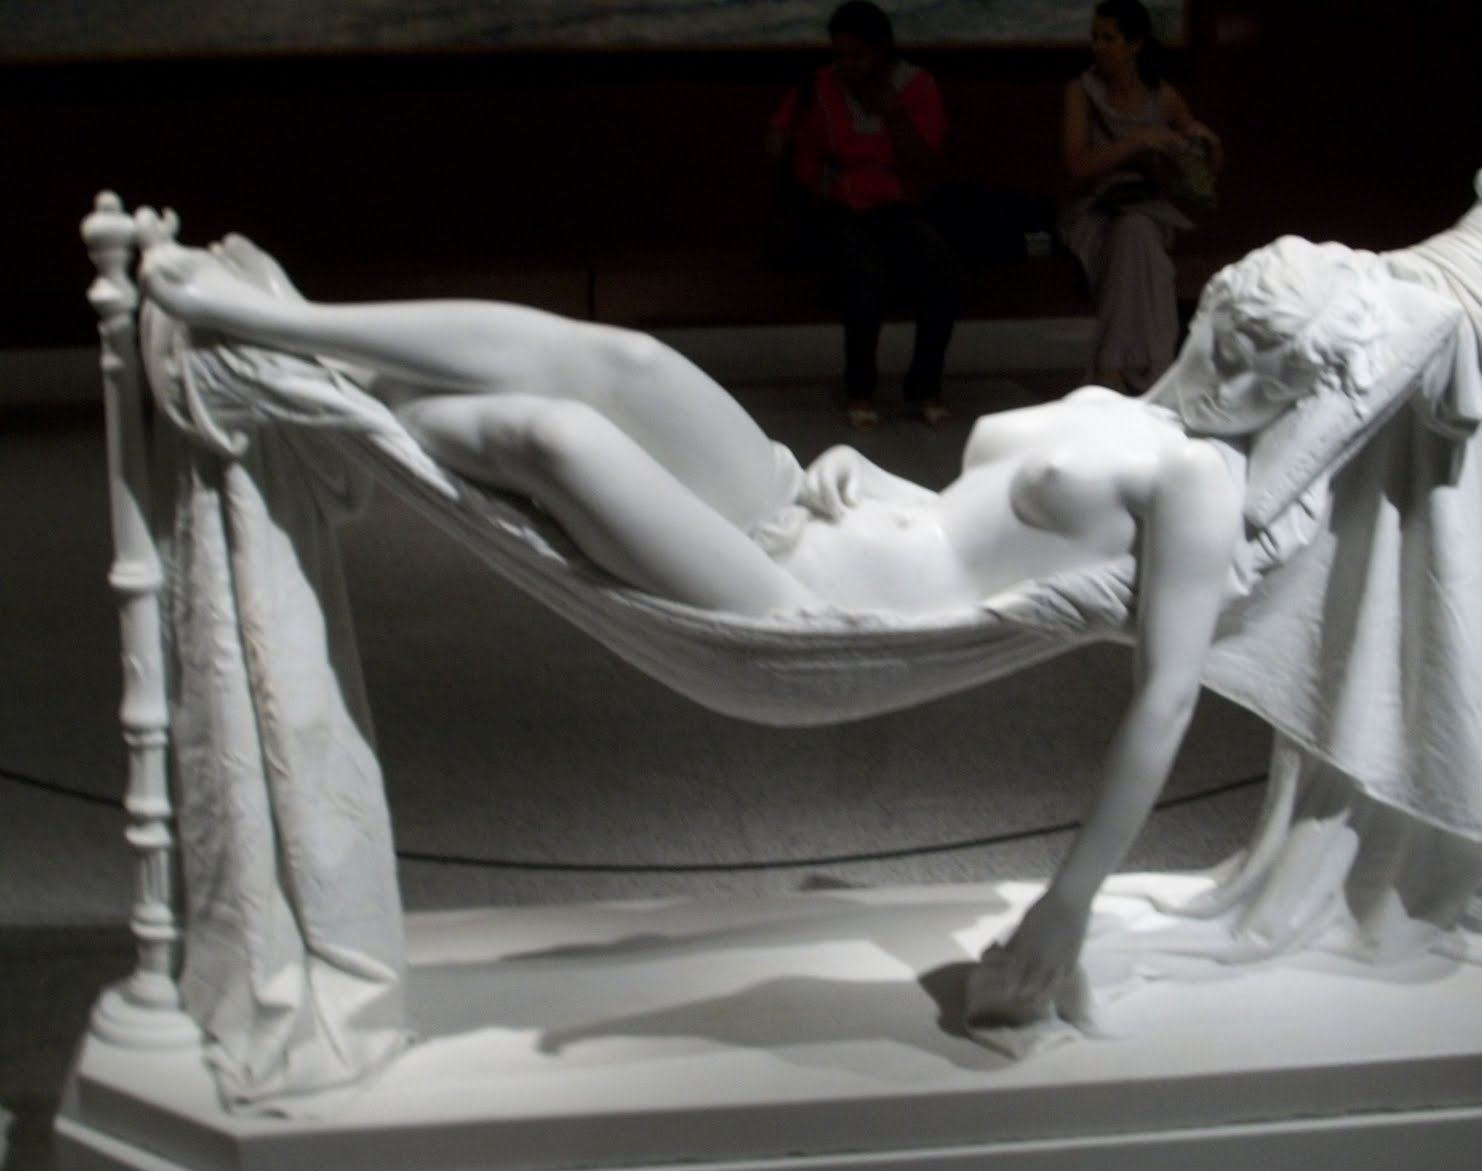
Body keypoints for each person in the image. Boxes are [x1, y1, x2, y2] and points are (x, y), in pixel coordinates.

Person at [138, 218, 1387, 1034]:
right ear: (1211, 301)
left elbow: (1166, 699)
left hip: (809, 619)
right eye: (1235, 339)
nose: (1231, 381)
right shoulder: (1112, 407)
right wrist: (872, 471)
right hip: (796, 506)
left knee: (542, 434)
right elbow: (966, 521)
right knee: (622, 361)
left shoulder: (1198, 480)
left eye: (1269, 380)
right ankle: (294, 331)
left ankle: (307, 392)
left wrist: (1068, 905)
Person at [766, 1, 962, 429]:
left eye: (859, 55)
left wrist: (892, 110)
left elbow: (925, 162)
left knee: (942, 270)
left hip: (896, 203)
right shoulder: (821, 85)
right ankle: (860, 389)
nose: (848, 65)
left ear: (883, 50)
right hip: (838, 205)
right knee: (866, 275)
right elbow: (782, 141)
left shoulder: (917, 86)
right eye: (841, 54)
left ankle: (925, 386)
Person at [1061, 0, 1223, 393]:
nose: (1098, 46)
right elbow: (1077, 165)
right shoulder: (1082, 92)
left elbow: (1205, 165)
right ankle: (1151, 369)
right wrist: (1137, 141)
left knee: (1138, 234)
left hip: (1152, 209)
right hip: (1098, 212)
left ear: (1135, 45)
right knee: (1137, 240)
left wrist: (1206, 142)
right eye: (1095, 37)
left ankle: (1112, 368)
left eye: (1109, 38)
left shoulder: (1163, 97)